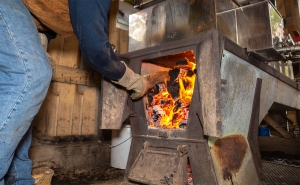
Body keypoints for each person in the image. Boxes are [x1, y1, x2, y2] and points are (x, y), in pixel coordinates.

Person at [0, 0, 167, 185]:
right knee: (31, 76)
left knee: (22, 103)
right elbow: (96, 50)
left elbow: (41, 13)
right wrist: (135, 81)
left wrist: (39, 43)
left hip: (27, 17)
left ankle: (20, 180)